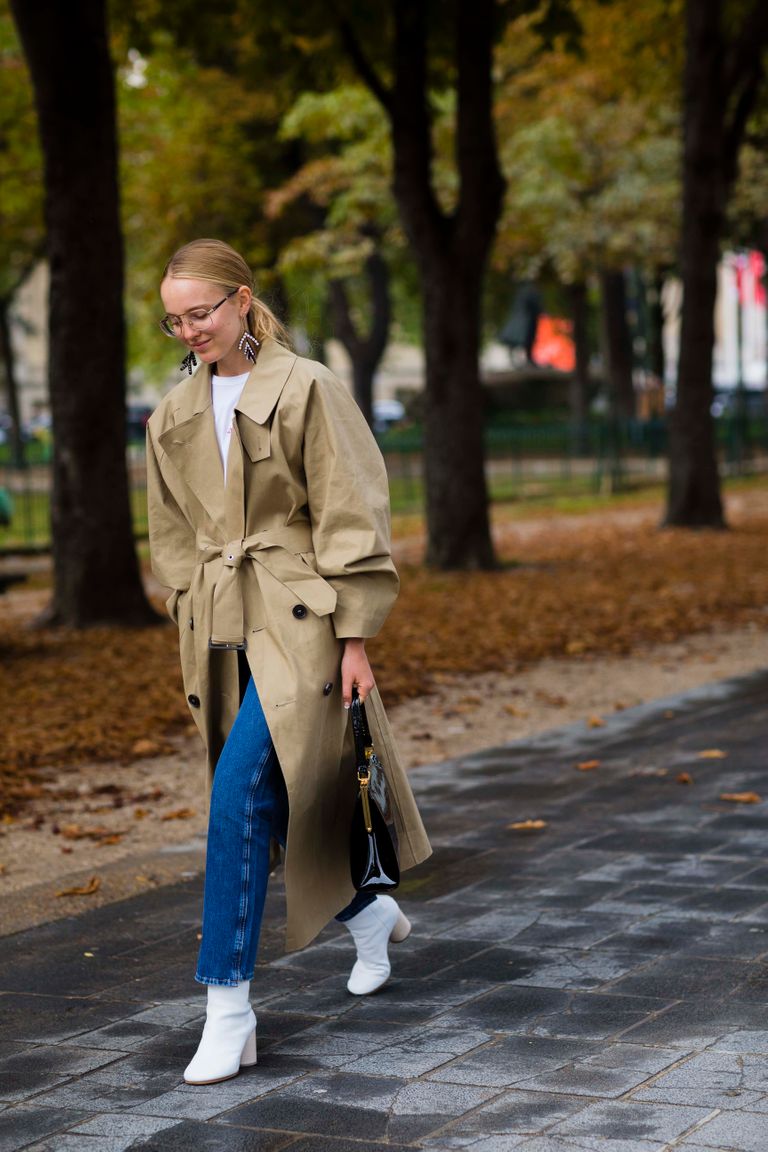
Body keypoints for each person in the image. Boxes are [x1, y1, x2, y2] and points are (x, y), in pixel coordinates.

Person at [146, 239, 431, 1087]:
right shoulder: (173, 416)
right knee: (272, 803)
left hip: (303, 622)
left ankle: (228, 1010)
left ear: (242, 300)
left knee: (236, 799)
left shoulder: (307, 386)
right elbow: (171, 537)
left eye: (202, 311)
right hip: (223, 629)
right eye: (176, 317)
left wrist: (356, 640)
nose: (190, 329)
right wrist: (190, 603)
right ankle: (367, 915)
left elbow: (354, 512)